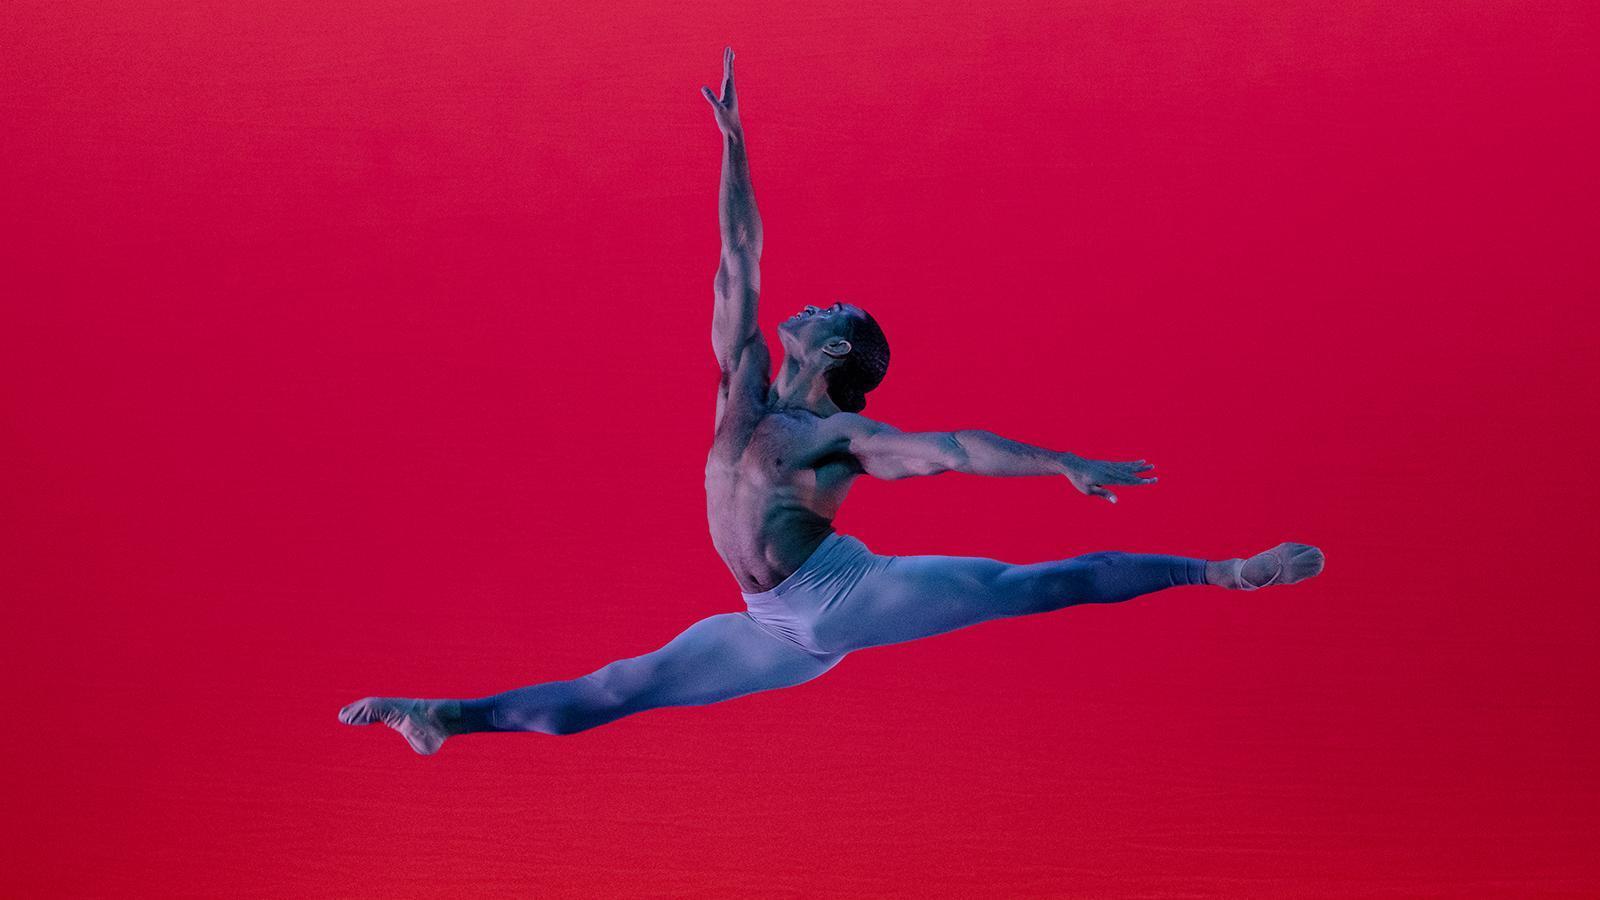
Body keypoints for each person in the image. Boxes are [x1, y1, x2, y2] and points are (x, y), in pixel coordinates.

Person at [339, 47, 1324, 755]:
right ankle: (448, 716)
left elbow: (951, 448)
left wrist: (1057, 462)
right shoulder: (746, 389)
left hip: (841, 596)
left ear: (841, 345)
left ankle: (1225, 571)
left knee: (1029, 587)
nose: (807, 303)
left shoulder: (838, 435)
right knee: (610, 692)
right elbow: (738, 261)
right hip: (767, 629)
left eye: (828, 307)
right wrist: (733, 142)